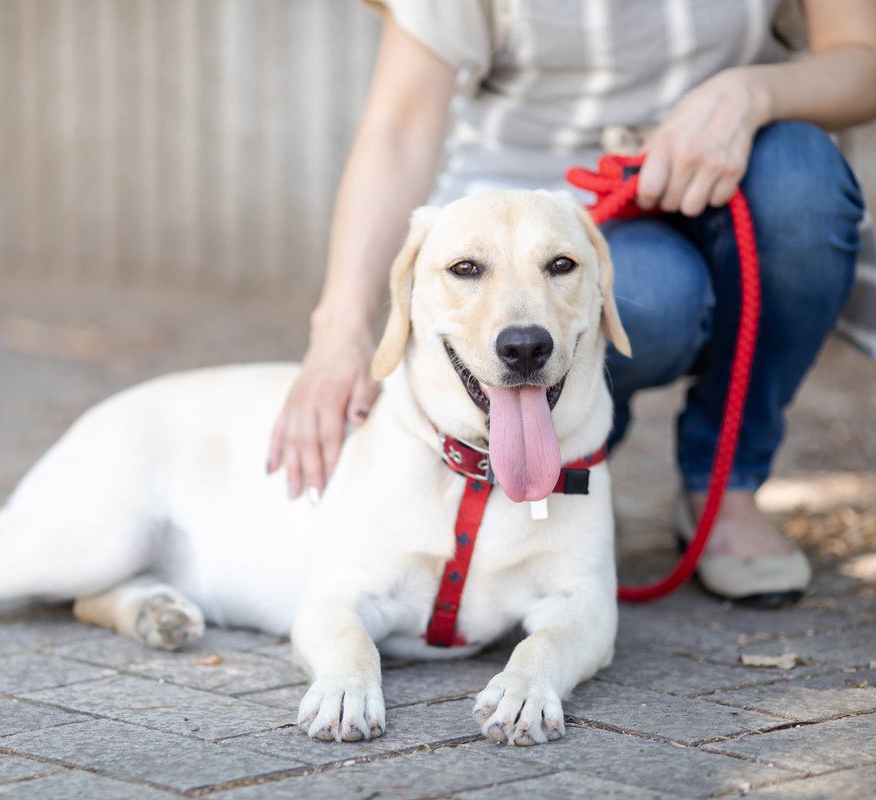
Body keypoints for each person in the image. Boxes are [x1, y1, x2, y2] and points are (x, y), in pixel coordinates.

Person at [267, 0, 876, 607]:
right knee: (652, 299)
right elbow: (399, 127)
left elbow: (863, 58)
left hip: (740, 165)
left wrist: (750, 94)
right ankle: (564, 467)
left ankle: (726, 486)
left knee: (805, 179)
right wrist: (338, 331)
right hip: (535, 197)